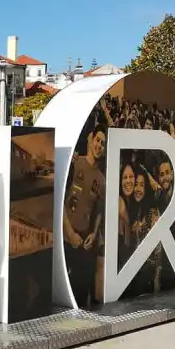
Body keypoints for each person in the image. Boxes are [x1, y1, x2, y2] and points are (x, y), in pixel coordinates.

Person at [63, 124, 106, 308]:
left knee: (80, 295)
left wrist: (94, 233)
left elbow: (98, 211)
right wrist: (69, 233)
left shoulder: (101, 179)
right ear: (90, 139)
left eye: (103, 144)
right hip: (65, 240)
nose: (99, 146)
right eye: (97, 140)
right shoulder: (73, 164)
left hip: (83, 242)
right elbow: (60, 202)